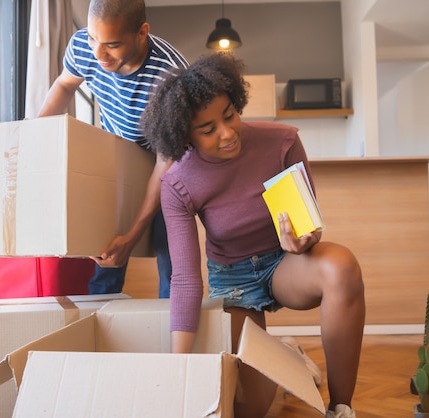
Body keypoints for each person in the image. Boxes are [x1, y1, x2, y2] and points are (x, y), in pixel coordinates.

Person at [140, 52, 366, 418]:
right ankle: (287, 355)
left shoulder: (282, 142)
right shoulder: (177, 183)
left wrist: (303, 240)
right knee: (249, 408)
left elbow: (308, 227)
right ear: (185, 136)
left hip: (284, 263)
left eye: (229, 115)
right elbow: (184, 278)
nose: (227, 133)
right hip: (232, 279)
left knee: (342, 268)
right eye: (208, 129)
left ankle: (340, 407)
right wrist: (177, 367)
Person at [37, 0, 189, 297]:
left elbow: (165, 162)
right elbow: (65, 85)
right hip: (118, 157)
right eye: (94, 38)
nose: (98, 53)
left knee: (168, 256)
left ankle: (173, 333)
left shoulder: (172, 80)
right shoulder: (84, 45)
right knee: (105, 259)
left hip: (168, 164)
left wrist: (133, 236)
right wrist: (35, 133)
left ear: (142, 32)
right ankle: (100, 327)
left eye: (112, 44)